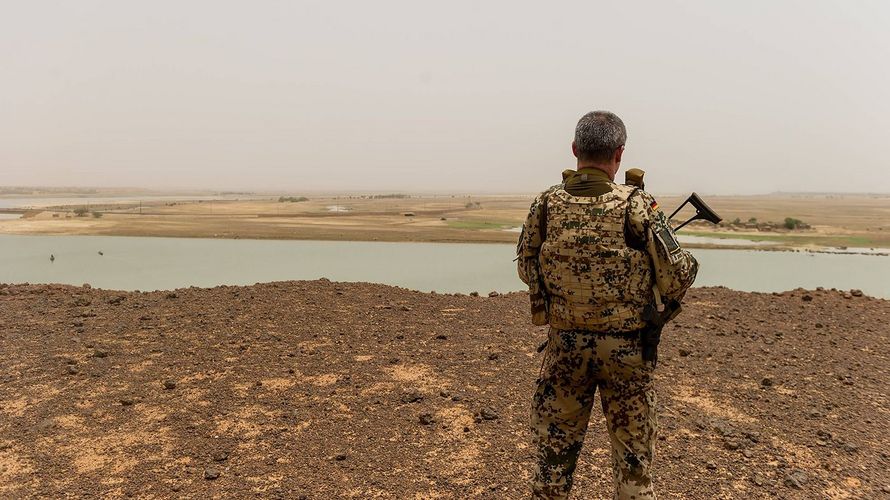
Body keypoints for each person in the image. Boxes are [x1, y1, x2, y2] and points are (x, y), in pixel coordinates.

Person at [516, 111, 698, 499]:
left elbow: (527, 268)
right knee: (634, 470)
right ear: (619, 153)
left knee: (552, 467)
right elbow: (677, 276)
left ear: (574, 150)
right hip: (628, 354)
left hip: (564, 349)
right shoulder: (637, 205)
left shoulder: (546, 204)